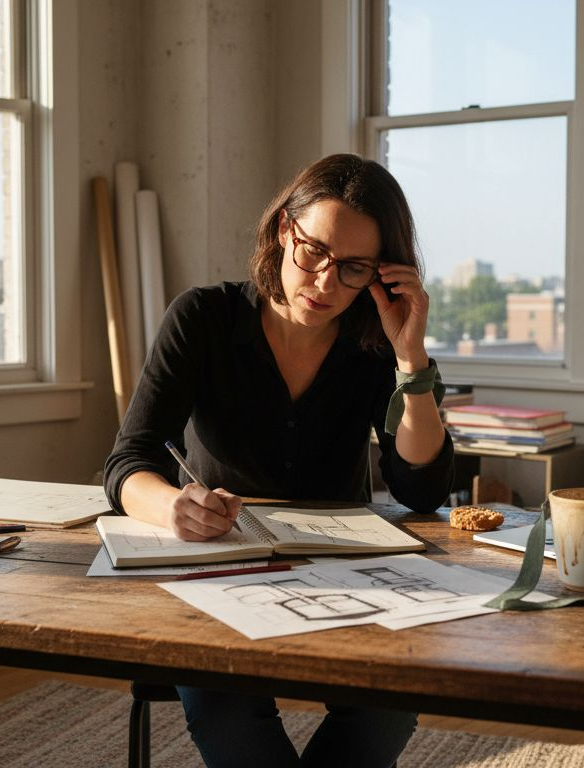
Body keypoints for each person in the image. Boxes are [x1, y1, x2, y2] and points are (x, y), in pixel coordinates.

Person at [103, 153, 454, 768]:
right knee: (227, 707)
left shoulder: (378, 347)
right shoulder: (203, 318)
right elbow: (128, 460)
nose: (322, 283)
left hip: (345, 578)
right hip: (218, 570)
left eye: (353, 269)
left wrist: (411, 360)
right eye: (313, 251)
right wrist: (172, 508)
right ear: (283, 231)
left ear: (384, 276)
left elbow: (420, 489)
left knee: (389, 702)